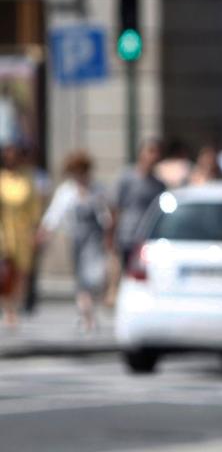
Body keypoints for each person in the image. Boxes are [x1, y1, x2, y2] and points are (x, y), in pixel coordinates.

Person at [38, 151, 112, 331]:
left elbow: (107, 216)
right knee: (82, 279)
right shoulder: (66, 191)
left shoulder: (98, 189)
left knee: (96, 277)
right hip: (77, 240)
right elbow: (55, 213)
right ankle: (87, 316)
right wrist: (45, 232)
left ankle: (88, 310)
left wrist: (109, 234)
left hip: (95, 240)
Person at [0, 144, 41, 327]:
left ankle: (15, 305)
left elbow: (34, 208)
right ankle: (8, 309)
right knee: (7, 272)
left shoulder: (27, 179)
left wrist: (35, 230)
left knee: (22, 273)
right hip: (4, 230)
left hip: (23, 232)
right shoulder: (2, 179)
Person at [111, 138, 165, 274]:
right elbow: (115, 206)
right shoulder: (127, 177)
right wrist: (111, 236)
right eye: (151, 151)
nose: (154, 156)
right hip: (127, 236)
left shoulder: (159, 185)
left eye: (157, 152)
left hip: (148, 239)